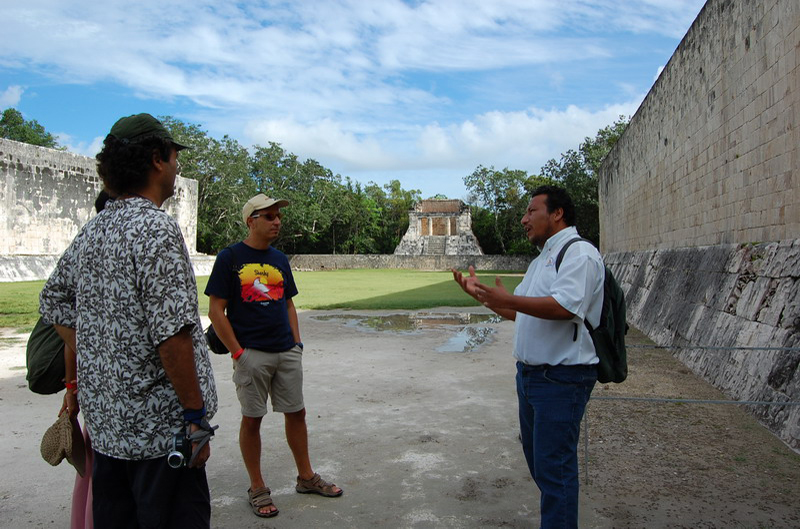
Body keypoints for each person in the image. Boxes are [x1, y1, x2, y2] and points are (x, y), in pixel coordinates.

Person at [39, 113, 218, 528]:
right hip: (161, 434)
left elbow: (52, 301)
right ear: (157, 159)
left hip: (109, 430)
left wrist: (104, 355)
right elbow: (172, 334)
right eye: (175, 157)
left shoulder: (95, 228)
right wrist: (194, 417)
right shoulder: (156, 229)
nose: (177, 167)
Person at [452, 185, 604, 529]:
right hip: (533, 378)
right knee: (544, 469)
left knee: (556, 474)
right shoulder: (543, 260)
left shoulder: (579, 254)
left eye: (531, 211)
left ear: (557, 213)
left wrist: (508, 299)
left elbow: (565, 307)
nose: (524, 219)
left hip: (562, 379)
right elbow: (523, 314)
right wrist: (488, 300)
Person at [205, 193, 342, 519]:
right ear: (251, 220)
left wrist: (297, 344)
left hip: (286, 351)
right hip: (252, 353)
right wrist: (238, 352)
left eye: (278, 215)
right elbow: (215, 311)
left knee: (297, 413)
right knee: (252, 419)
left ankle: (306, 477)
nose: (277, 221)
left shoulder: (280, 259)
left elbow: (289, 304)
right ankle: (257, 486)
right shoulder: (230, 258)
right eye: (269, 216)